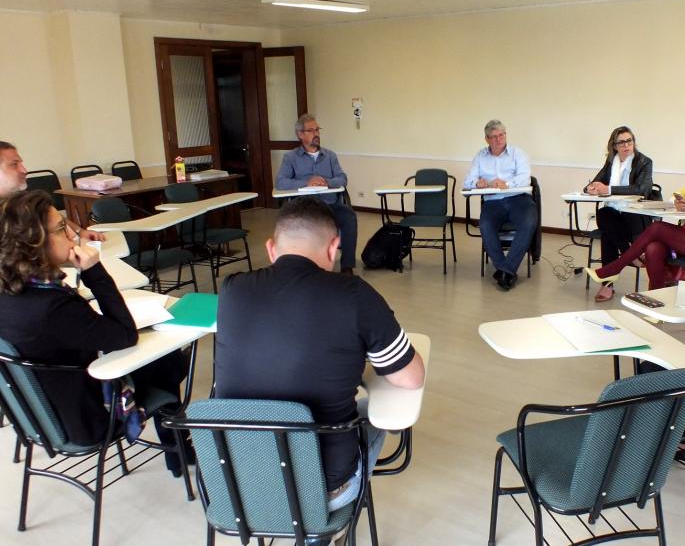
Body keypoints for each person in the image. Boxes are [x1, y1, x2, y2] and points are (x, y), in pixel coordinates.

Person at [215, 197, 425, 511]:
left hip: (238, 481)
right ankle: (320, 527)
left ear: (272, 248)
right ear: (334, 247)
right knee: (374, 414)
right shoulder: (354, 294)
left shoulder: (231, 289)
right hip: (324, 487)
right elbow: (411, 377)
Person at [0, 190, 188, 473]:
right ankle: (178, 452)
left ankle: (178, 450)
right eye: (62, 229)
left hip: (37, 416)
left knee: (165, 363)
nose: (73, 237)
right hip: (86, 420)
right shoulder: (53, 307)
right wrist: (94, 271)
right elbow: (125, 335)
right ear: (34, 243)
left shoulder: (14, 291)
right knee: (169, 361)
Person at [586, 138, 685, 298]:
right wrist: (677, 203)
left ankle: (614, 268)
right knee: (653, 248)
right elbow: (676, 196)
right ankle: (655, 299)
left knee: (657, 228)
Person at [274, 115, 357, 274]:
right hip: (304, 207)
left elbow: (342, 178)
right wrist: (306, 183)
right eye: (311, 130)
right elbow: (280, 182)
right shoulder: (290, 158)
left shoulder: (330, 156)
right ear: (300, 134)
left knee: (349, 217)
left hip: (329, 204)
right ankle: (300, 263)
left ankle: (347, 266)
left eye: (317, 129)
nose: (316, 133)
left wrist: (327, 182)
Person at [464, 120, 538, 291]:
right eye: (494, 137)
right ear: (486, 139)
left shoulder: (517, 153)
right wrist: (478, 183)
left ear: (505, 135)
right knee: (485, 225)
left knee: (528, 223)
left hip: (518, 198)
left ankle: (505, 271)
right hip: (493, 201)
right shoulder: (480, 156)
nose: (498, 140)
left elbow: (525, 178)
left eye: (501, 135)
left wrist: (507, 184)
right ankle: (506, 271)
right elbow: (468, 181)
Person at [583, 126, 654, 302]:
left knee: (608, 231)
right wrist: (590, 188)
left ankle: (607, 284)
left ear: (634, 142)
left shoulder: (644, 162)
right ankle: (632, 253)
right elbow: (596, 181)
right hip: (615, 216)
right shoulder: (611, 161)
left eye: (629, 141)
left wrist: (609, 189)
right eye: (621, 142)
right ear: (614, 146)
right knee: (605, 214)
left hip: (635, 217)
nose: (626, 145)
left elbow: (642, 189)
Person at [0, 141, 105, 241]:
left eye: (21, 163)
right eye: (14, 164)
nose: (24, 170)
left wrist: (80, 232)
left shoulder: (22, 198)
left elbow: (52, 215)